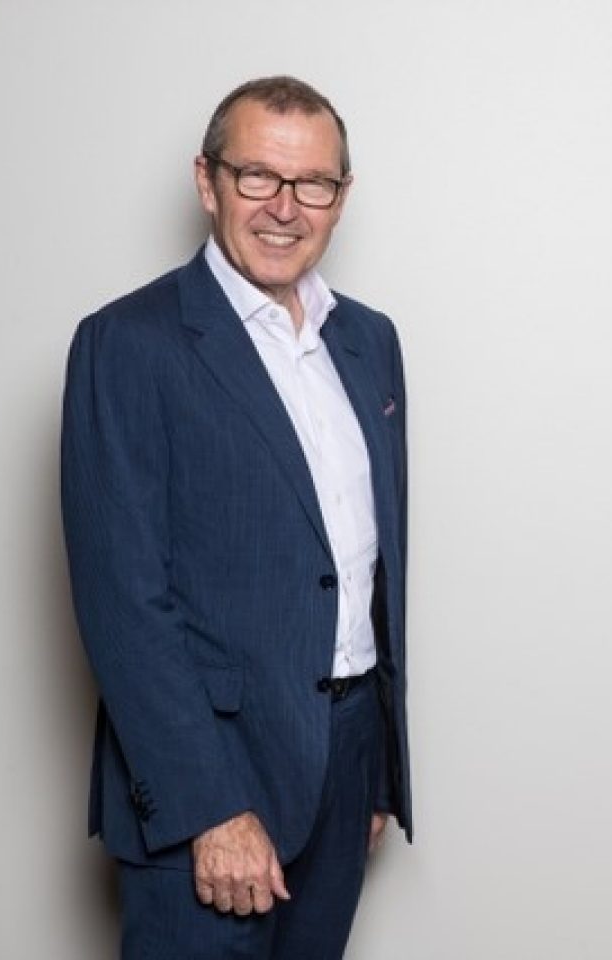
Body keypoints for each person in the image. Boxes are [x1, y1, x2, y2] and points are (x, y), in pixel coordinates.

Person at [61, 75, 411, 959]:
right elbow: (123, 603)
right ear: (207, 181)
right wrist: (208, 807)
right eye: (258, 176)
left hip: (344, 759)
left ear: (342, 197)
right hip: (211, 777)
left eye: (313, 183)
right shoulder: (128, 344)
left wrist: (374, 769)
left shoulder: (368, 340)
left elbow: (366, 567)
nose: (285, 208)